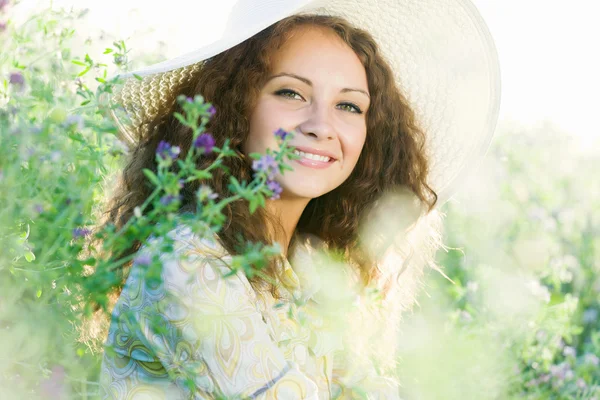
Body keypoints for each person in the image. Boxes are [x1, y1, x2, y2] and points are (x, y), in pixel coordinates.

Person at [96, 0, 500, 398]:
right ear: (235, 107)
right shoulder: (187, 260)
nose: (321, 127)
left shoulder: (313, 270)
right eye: (291, 93)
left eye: (348, 105)